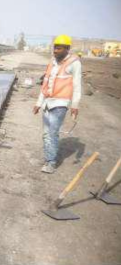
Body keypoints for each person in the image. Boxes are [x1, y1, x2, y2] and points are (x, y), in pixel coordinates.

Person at [33, 35, 82, 174]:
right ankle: (49, 158)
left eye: (59, 48)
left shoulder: (74, 63)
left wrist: (75, 105)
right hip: (47, 103)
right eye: (55, 47)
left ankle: (51, 162)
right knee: (45, 134)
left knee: (52, 134)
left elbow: (77, 85)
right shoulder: (52, 62)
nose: (55, 50)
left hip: (60, 104)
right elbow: (46, 83)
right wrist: (39, 102)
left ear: (67, 49)